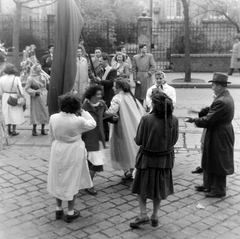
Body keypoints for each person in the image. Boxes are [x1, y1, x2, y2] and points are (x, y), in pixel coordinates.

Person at [130, 91, 178, 228]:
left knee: (142, 187)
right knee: (159, 188)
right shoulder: (174, 119)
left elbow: (139, 140)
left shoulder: (146, 119)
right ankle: (155, 215)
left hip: (147, 160)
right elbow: (174, 140)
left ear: (154, 105)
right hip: (164, 161)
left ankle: (143, 214)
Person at [47, 93, 96, 223]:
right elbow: (93, 124)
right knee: (72, 178)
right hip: (73, 149)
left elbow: (51, 135)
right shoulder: (78, 120)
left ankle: (58, 208)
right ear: (76, 107)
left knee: (58, 177)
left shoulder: (54, 117)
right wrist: (83, 112)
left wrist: (54, 146)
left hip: (58, 148)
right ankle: (70, 211)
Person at [185, 72, 235, 198]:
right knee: (209, 158)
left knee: (219, 160)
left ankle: (219, 190)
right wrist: (200, 112)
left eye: (213, 84)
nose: (212, 87)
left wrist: (194, 120)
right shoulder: (223, 96)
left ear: (219, 86)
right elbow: (212, 110)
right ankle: (208, 185)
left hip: (220, 134)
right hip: (217, 131)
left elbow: (209, 120)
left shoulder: (222, 100)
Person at [104, 77, 145, 182]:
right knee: (132, 147)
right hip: (134, 126)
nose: (113, 88)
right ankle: (133, 170)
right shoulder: (130, 96)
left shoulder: (117, 98)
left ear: (119, 87)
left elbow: (111, 112)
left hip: (121, 128)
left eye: (114, 86)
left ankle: (128, 171)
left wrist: (102, 110)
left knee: (122, 148)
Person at [82, 85, 107, 196]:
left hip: (99, 138)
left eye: (100, 94)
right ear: (91, 95)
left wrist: (112, 118)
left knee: (91, 162)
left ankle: (85, 182)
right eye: (97, 94)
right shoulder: (84, 108)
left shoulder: (102, 105)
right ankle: (88, 185)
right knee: (96, 163)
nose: (100, 96)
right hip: (89, 139)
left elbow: (105, 116)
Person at [94, 52, 118, 141]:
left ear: (106, 61)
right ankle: (105, 135)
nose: (99, 63)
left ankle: (109, 132)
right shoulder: (100, 70)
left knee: (107, 115)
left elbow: (112, 82)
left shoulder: (112, 71)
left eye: (101, 61)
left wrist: (100, 81)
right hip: (101, 95)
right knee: (102, 115)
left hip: (108, 95)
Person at [0, 63, 25, 136]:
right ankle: (14, 130)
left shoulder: (1, 78)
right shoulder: (16, 78)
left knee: (6, 113)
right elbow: (20, 90)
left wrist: (2, 96)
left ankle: (8, 129)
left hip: (5, 96)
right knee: (14, 113)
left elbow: (0, 90)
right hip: (14, 96)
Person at [25, 64, 49, 136]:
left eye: (40, 68)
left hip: (44, 96)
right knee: (35, 113)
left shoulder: (44, 76)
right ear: (34, 69)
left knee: (44, 112)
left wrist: (48, 82)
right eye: (38, 68)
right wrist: (34, 92)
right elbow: (27, 88)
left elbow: (47, 86)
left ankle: (43, 129)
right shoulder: (30, 78)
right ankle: (34, 130)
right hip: (36, 97)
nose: (39, 69)